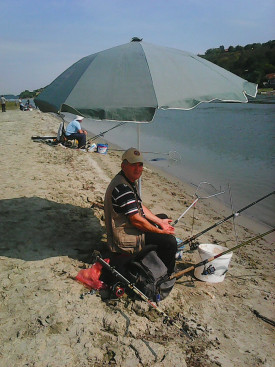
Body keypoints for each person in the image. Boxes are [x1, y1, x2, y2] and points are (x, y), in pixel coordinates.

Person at [104, 147, 177, 275]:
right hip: (124, 238)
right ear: (123, 165)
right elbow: (136, 220)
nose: (137, 169)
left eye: (140, 165)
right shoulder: (122, 188)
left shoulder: (128, 180)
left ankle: (156, 261)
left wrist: (160, 221)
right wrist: (161, 231)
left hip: (128, 225)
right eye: (133, 165)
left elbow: (139, 206)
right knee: (169, 241)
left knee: (163, 217)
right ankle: (166, 275)